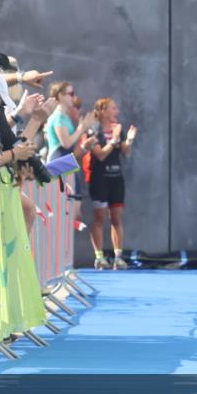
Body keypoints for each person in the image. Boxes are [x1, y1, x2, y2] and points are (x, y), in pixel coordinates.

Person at [85, 97, 136, 270]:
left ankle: (118, 257)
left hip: (116, 178)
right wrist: (113, 140)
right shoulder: (93, 129)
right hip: (99, 179)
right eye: (113, 108)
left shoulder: (117, 129)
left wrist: (128, 140)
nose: (117, 112)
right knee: (100, 217)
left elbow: (126, 153)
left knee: (117, 218)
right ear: (103, 111)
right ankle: (99, 257)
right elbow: (99, 155)